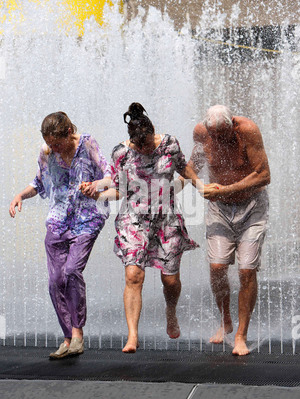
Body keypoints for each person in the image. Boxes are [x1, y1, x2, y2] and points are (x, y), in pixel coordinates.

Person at [94, 103, 202, 353]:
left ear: (154, 134)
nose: (146, 149)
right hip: (134, 220)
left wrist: (202, 188)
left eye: (149, 144)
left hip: (166, 219)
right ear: (132, 141)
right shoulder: (121, 154)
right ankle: (132, 335)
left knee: (171, 280)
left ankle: (171, 311)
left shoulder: (169, 145)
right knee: (133, 276)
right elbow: (119, 189)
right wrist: (97, 196)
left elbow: (184, 168)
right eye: (141, 146)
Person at [9, 112, 111, 360]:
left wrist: (96, 185)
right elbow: (39, 182)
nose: (53, 148)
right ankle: (68, 338)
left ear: (68, 133)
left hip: (87, 218)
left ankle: (77, 334)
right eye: (49, 144)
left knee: (72, 271)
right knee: (55, 280)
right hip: (58, 221)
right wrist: (20, 195)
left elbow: (110, 176)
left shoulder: (87, 144)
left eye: (56, 143)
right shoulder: (46, 152)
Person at [183, 105, 271, 356]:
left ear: (232, 123)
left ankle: (241, 335)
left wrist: (225, 189)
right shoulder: (202, 133)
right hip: (220, 209)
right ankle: (225, 320)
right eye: (215, 136)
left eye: (224, 134)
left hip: (252, 207)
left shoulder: (248, 131)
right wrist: (200, 186)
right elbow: (192, 166)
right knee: (217, 267)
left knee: (246, 270)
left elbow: (264, 175)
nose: (219, 140)